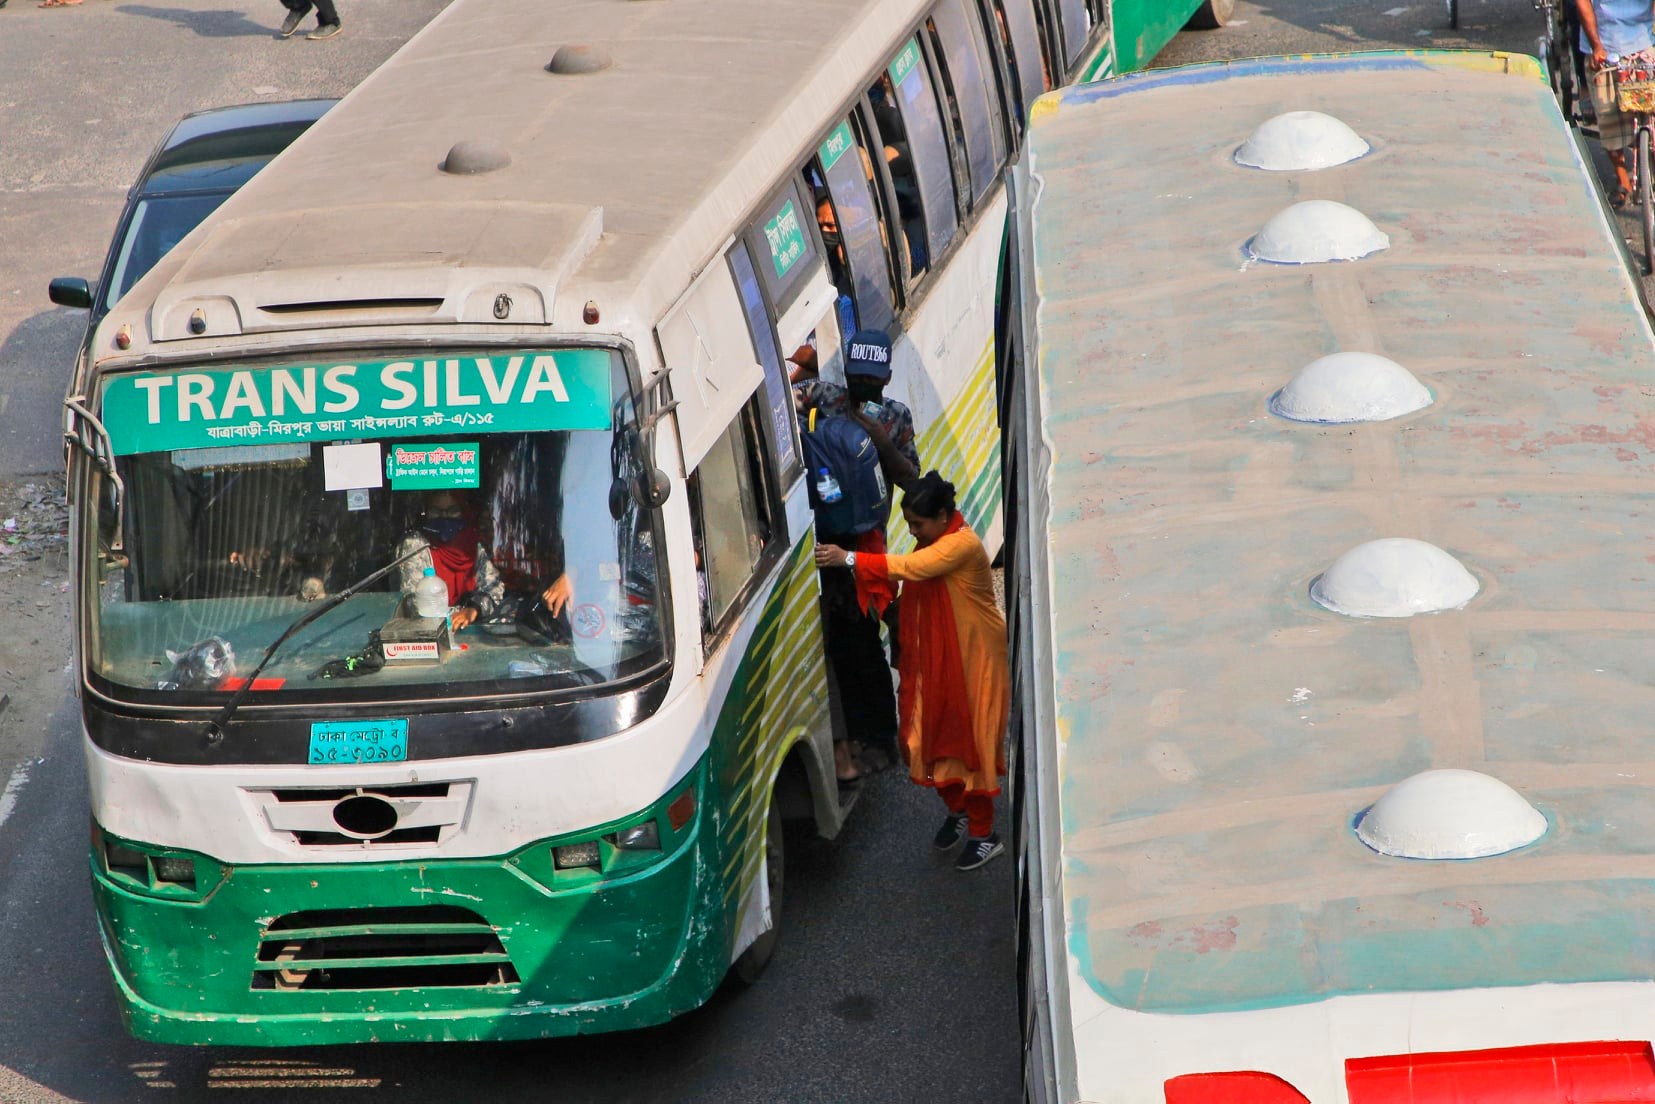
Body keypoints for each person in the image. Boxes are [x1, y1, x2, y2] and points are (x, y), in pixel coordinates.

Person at [815, 472, 1010, 871]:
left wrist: (847, 557)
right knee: (923, 739)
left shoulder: (960, 545)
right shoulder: (935, 538)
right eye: (909, 525)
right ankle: (960, 813)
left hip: (972, 664)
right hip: (934, 661)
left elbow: (911, 567)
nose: (913, 532)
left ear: (943, 516)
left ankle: (984, 833)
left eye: (918, 524)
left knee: (967, 746)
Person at [794, 328, 920, 785]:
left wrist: (882, 444)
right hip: (824, 539)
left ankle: (882, 739)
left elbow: (912, 478)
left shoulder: (896, 417)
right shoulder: (826, 396)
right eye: (858, 380)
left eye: (873, 383)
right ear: (847, 376)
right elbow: (782, 400)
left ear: (885, 380)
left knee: (865, 647)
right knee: (844, 649)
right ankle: (860, 738)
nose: (865, 389)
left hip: (867, 547)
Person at [397, 489, 572, 631]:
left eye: (453, 511)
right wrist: (446, 618)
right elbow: (413, 600)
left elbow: (493, 588)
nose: (445, 517)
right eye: (436, 511)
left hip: (472, 635)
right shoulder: (416, 544)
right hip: (429, 634)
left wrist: (473, 610)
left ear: (464, 512)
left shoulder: (471, 545)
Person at [1576, 0, 1655, 205]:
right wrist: (1596, 46)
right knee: (1608, 118)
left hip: (1644, 41)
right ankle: (1622, 179)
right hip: (1605, 47)